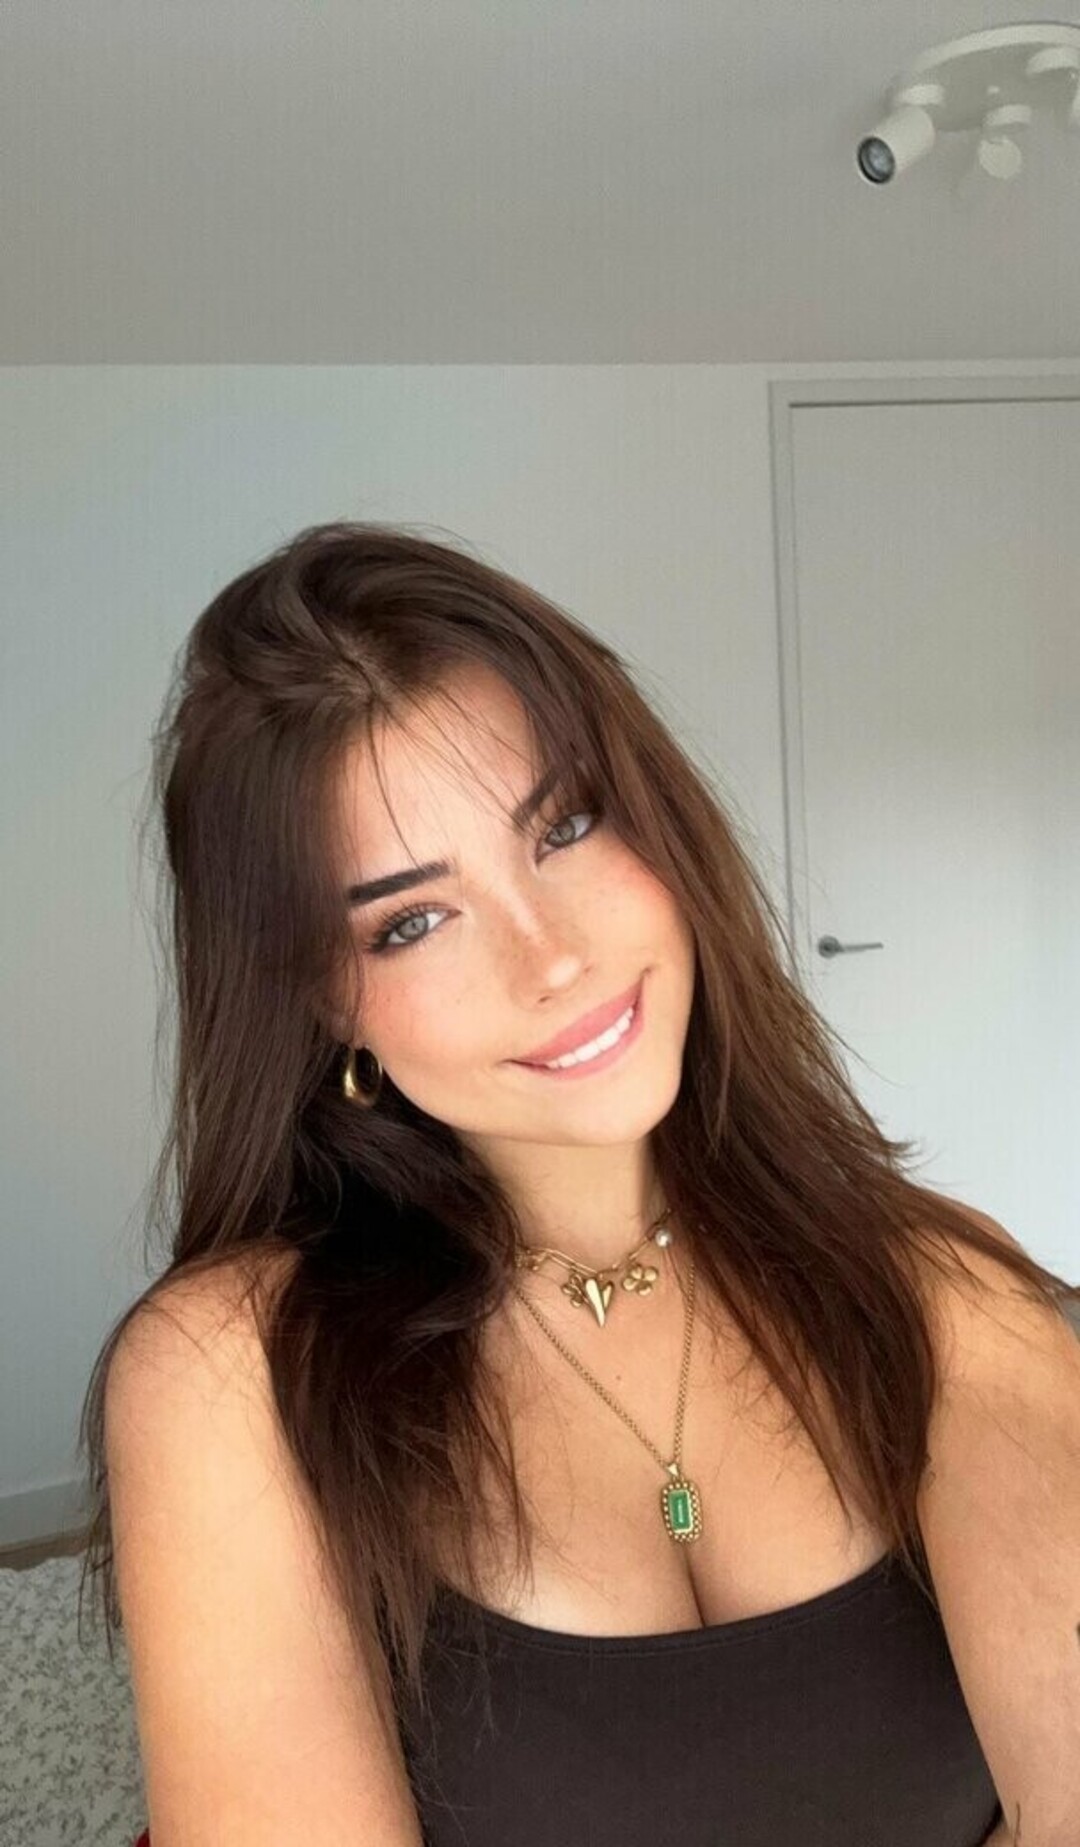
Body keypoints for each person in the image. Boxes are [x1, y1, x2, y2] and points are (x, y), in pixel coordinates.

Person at [79, 521, 1073, 1846]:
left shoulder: (943, 1288)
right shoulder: (233, 1374)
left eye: (567, 824)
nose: (551, 958)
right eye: (413, 919)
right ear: (323, 999)